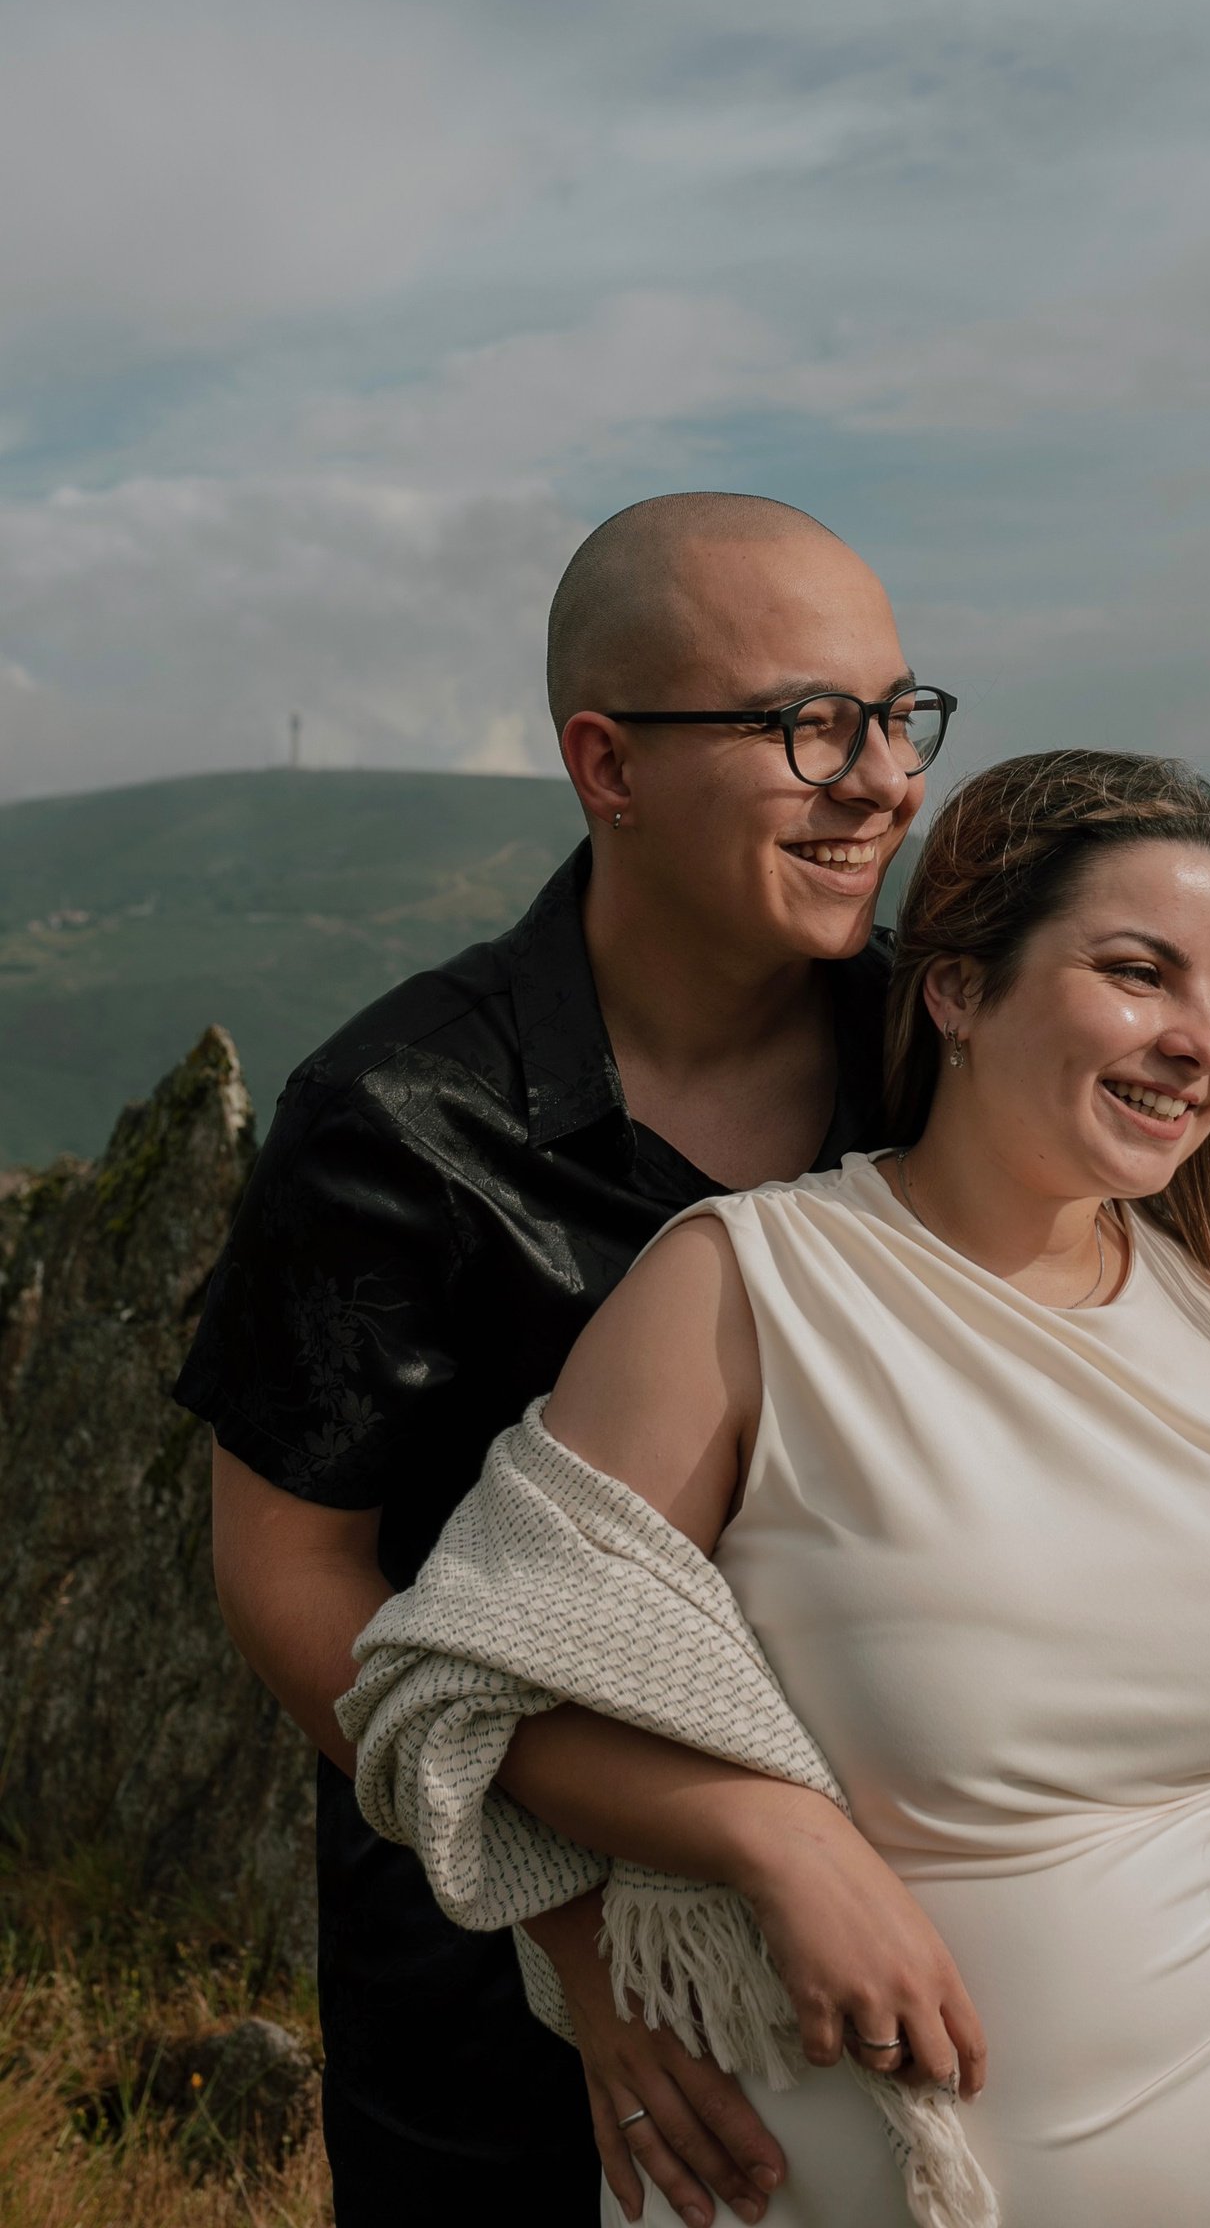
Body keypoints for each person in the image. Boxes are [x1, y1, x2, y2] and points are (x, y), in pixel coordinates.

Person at [343, 750, 1210, 2228]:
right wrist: (778, 1842)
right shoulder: (752, 1290)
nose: (1200, 1043)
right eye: (1138, 974)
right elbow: (468, 1680)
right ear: (959, 990)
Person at [180, 492, 957, 2224]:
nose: (885, 781)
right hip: (509, 2011)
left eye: (900, 715)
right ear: (609, 765)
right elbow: (291, 1574)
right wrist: (578, 1936)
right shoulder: (392, 1121)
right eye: (807, 723)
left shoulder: (948, 1068)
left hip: (915, 1946)